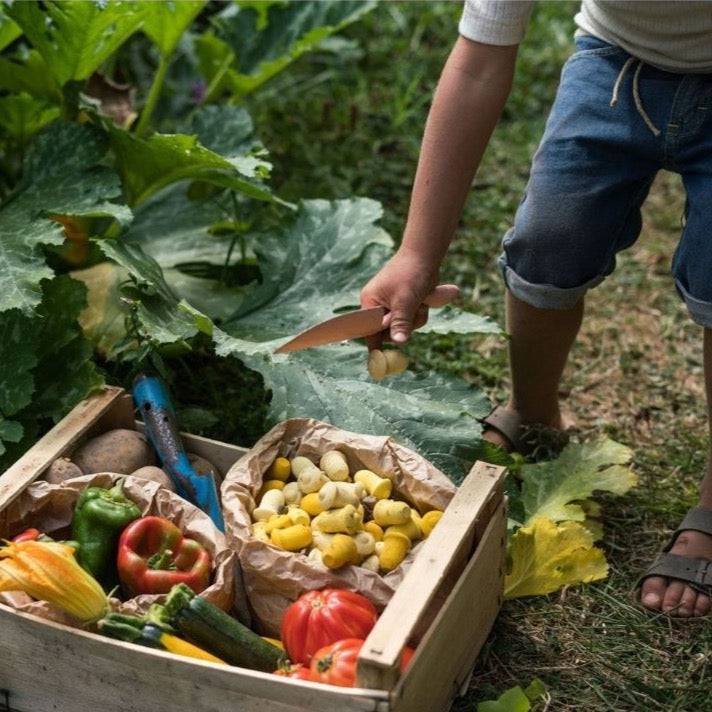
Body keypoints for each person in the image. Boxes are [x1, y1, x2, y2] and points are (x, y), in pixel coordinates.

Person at [360, 0, 712, 617]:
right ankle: (533, 408)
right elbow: (478, 61)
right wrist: (418, 250)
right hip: (615, 62)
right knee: (548, 241)